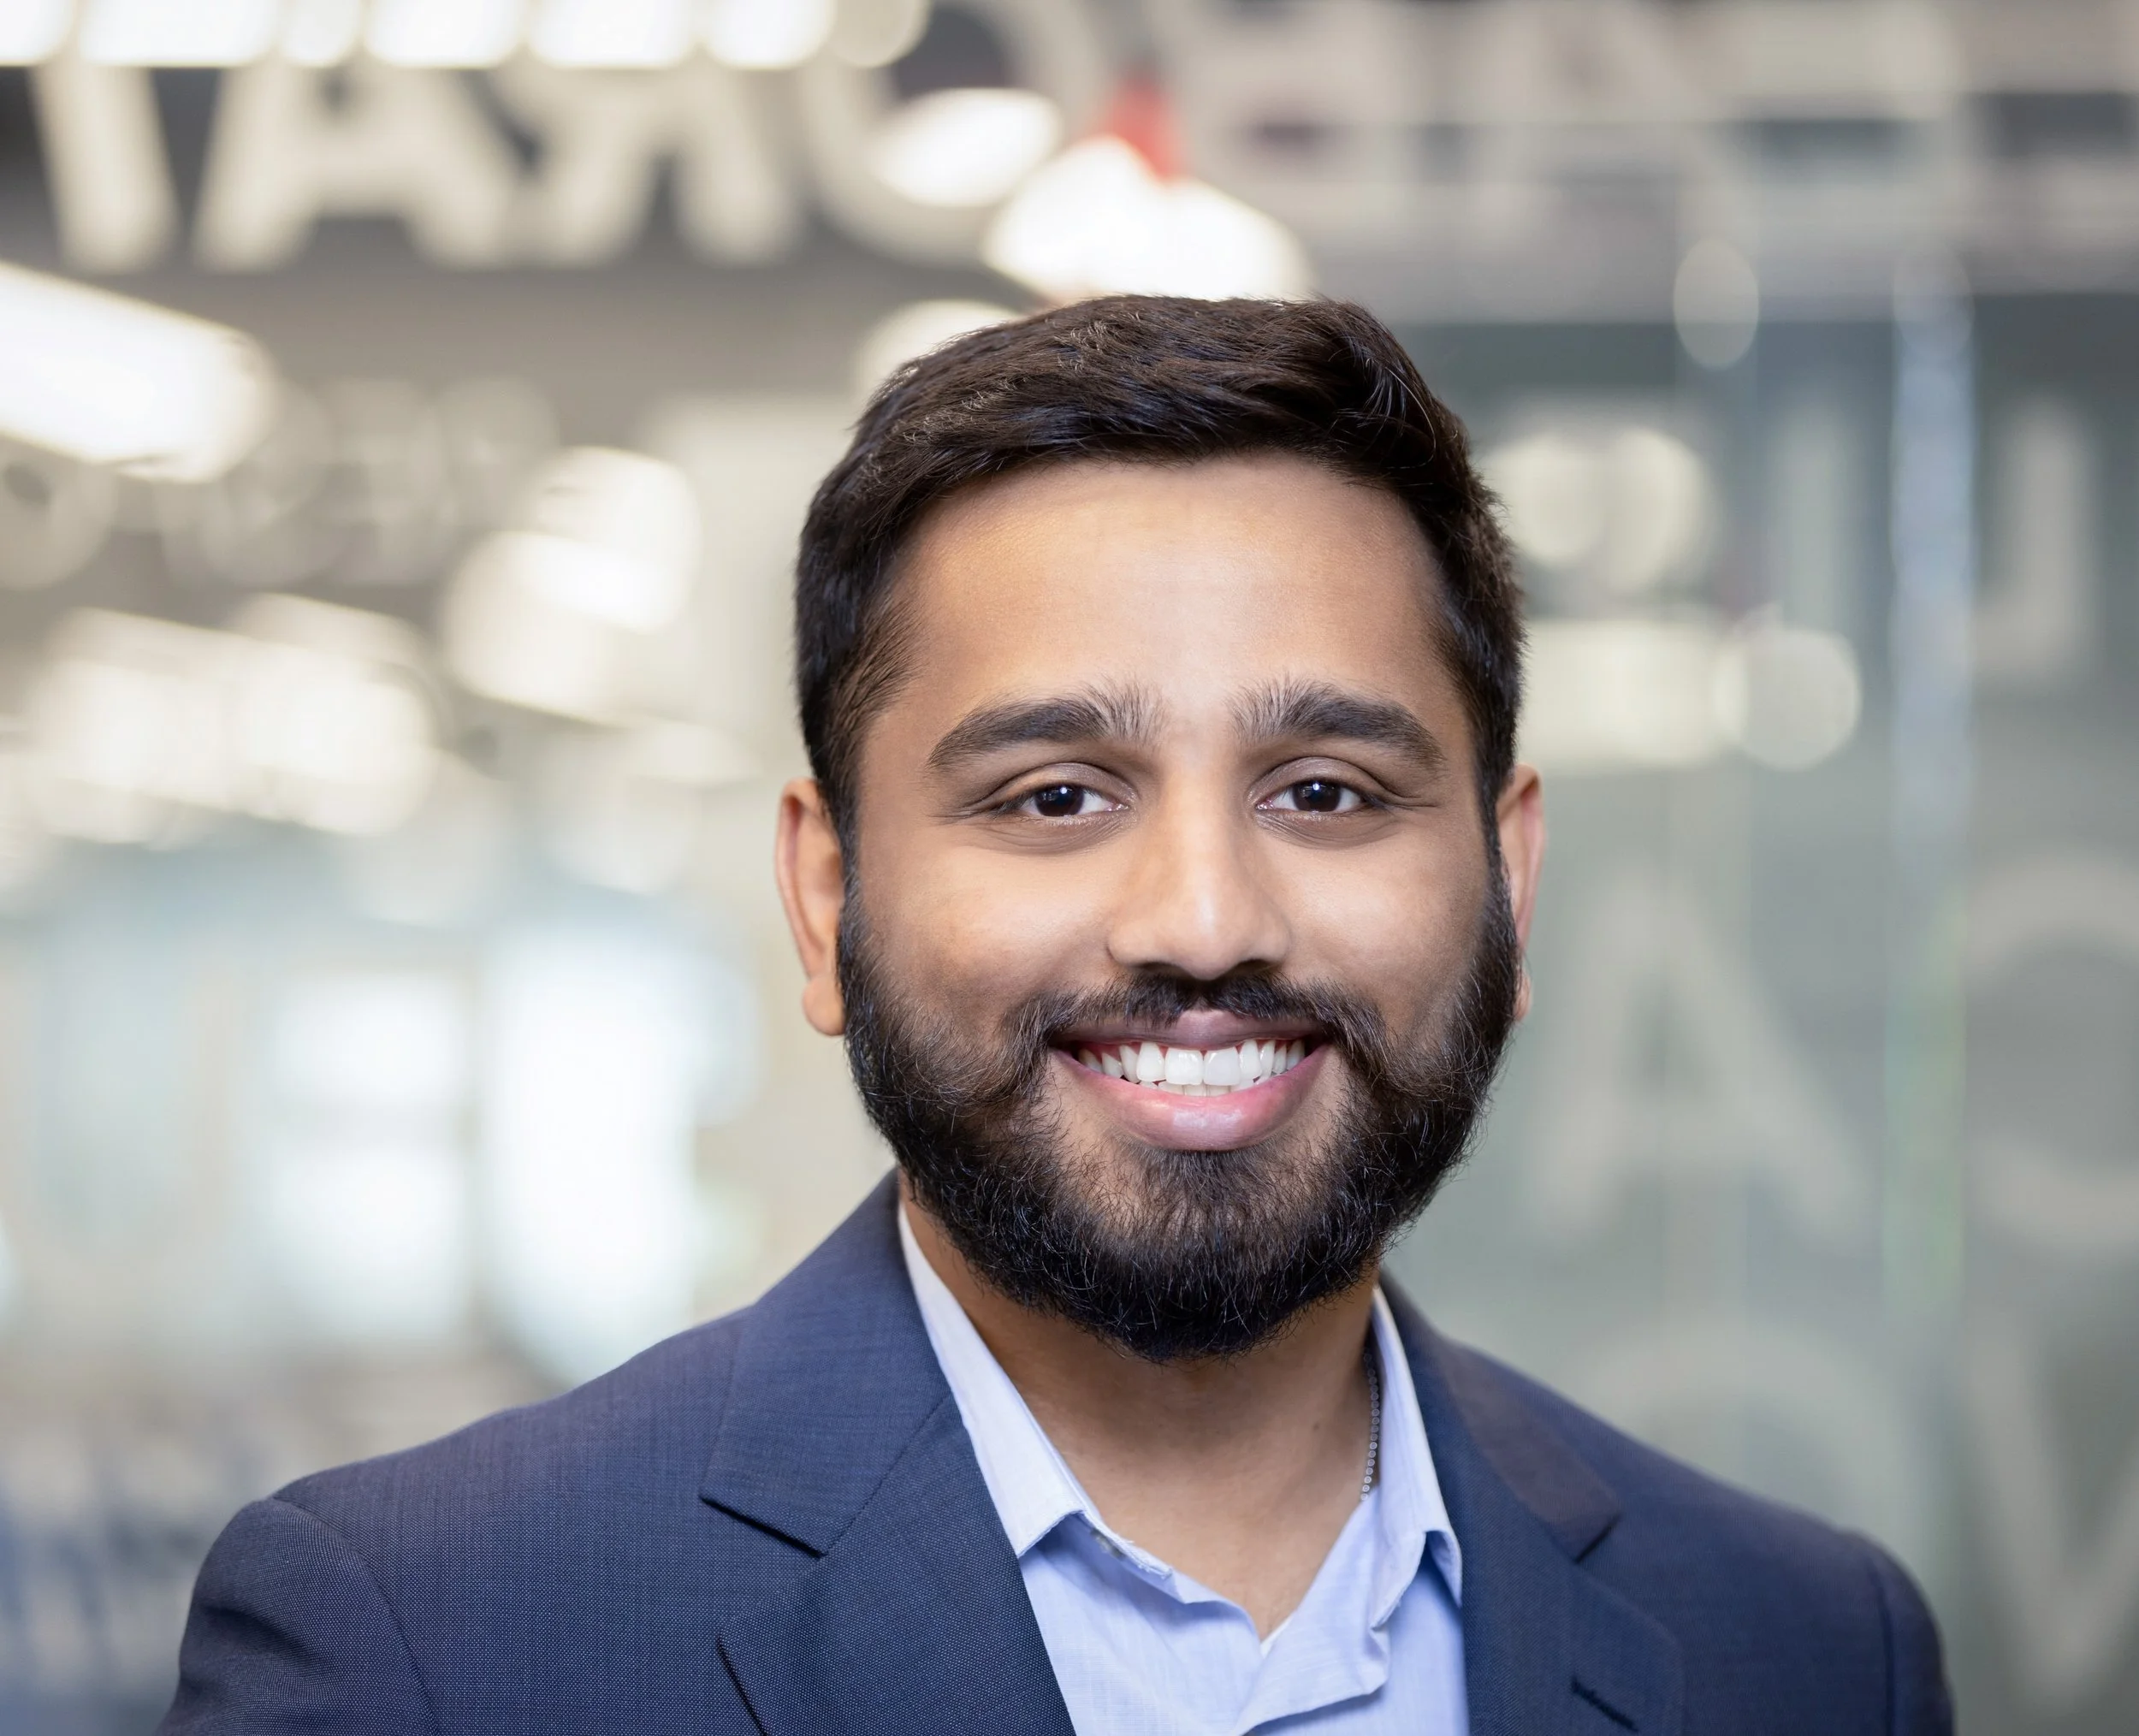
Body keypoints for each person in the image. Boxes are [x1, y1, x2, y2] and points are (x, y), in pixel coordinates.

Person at [162, 297, 1952, 1735]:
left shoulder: (1798, 1651)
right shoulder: (422, 1641)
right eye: (1051, 797)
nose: (1200, 924)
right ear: (825, 891)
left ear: (1508, 881)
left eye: (1323, 792)